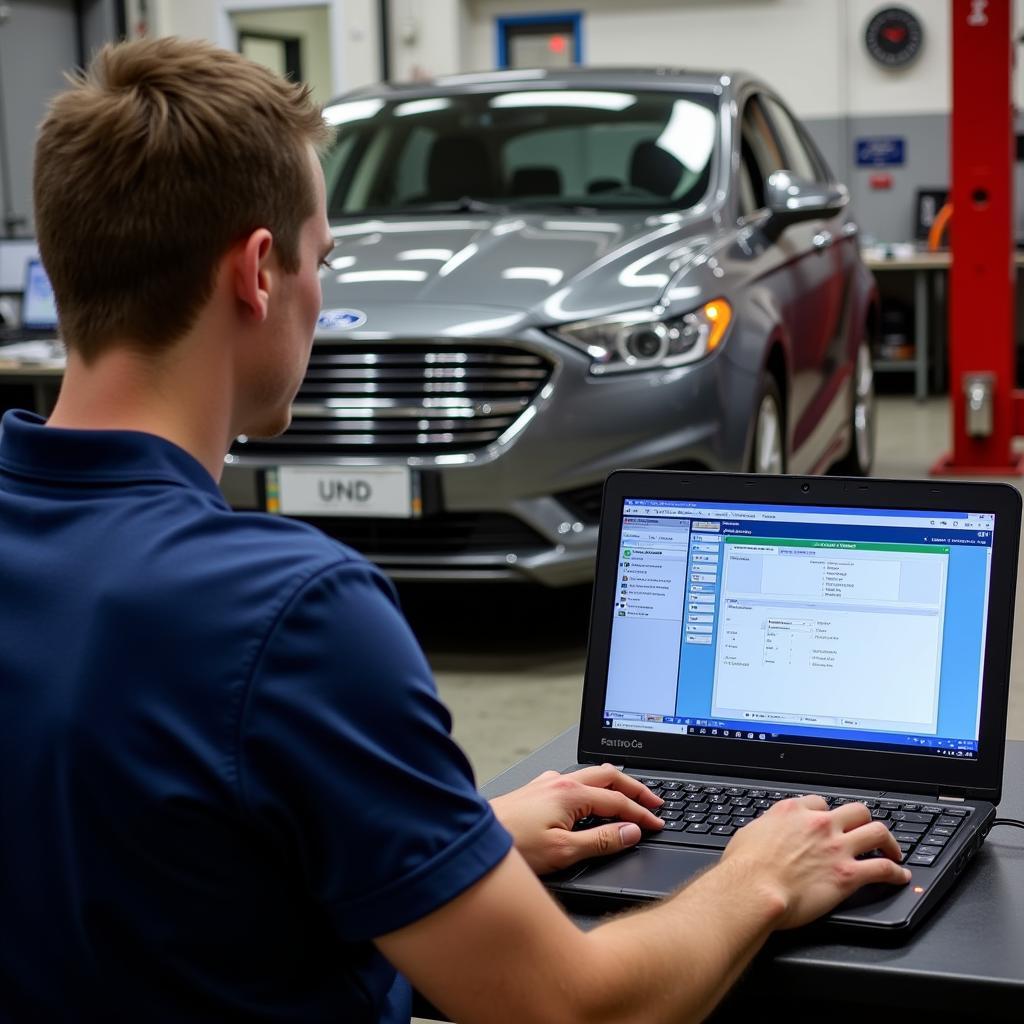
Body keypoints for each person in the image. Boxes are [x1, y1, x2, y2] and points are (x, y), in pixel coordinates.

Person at [0, 37, 910, 1023]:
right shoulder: (292, 615)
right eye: (327, 260)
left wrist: (453, 836)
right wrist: (758, 876)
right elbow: (568, 1008)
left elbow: (152, 844)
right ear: (259, 273)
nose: (324, 298)